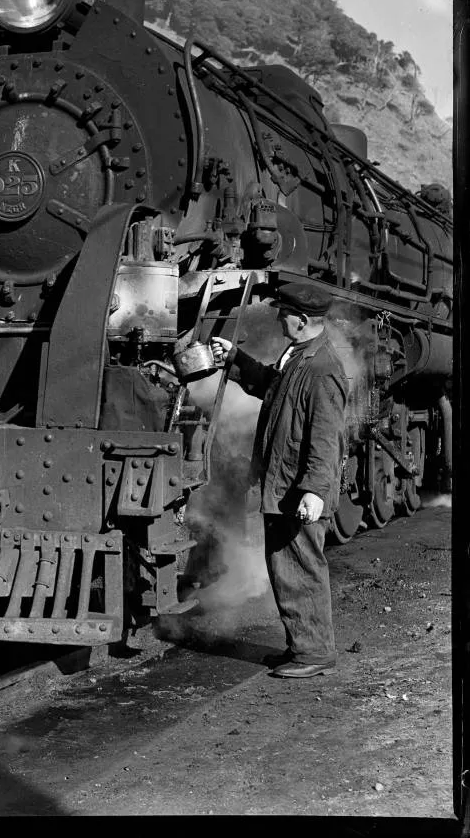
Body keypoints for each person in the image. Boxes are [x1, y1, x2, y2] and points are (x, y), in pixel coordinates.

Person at [209, 281, 348, 679]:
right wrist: (235, 359)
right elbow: (272, 387)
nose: (278, 319)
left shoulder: (322, 369)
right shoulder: (301, 356)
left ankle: (314, 653)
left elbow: (327, 437)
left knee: (301, 567)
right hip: (285, 484)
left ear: (301, 320)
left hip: (297, 487)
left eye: (283, 313)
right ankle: (301, 646)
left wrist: (314, 490)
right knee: (286, 566)